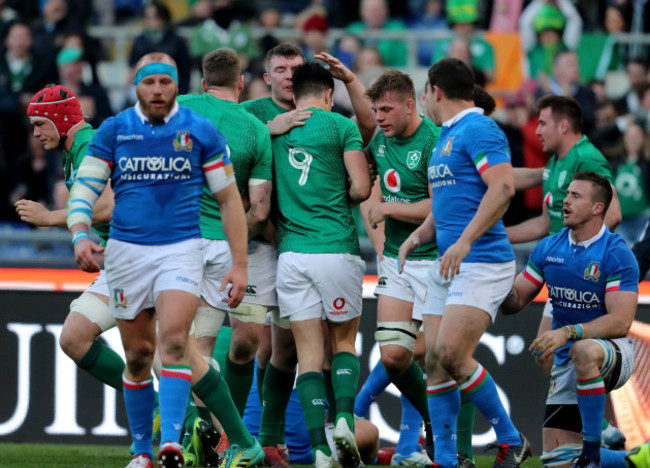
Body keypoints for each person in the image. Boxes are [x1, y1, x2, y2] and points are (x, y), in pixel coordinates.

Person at [65, 52, 261, 468]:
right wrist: (80, 233)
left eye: (165, 81)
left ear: (178, 86)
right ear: (136, 84)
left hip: (180, 253)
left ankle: (171, 443)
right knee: (138, 356)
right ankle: (142, 452)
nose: (157, 89)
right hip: (126, 257)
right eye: (149, 81)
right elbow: (86, 189)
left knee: (173, 343)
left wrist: (240, 263)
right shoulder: (115, 130)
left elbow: (229, 200)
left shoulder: (200, 131)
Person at [242, 44, 375, 467]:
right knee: (344, 343)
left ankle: (317, 449)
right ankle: (342, 423)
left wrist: (270, 132)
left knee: (306, 357)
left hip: (290, 255)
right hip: (336, 248)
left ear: (294, 91)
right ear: (328, 95)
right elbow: (361, 189)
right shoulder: (340, 126)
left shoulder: (268, 129)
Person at [399, 57, 531, 468]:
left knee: (453, 353)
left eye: (423, 94)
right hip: (449, 262)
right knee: (434, 362)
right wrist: (422, 234)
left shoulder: (479, 128)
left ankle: (511, 438)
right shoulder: (446, 137)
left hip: (482, 261)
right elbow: (449, 201)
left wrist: (465, 241)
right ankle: (446, 459)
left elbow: (503, 186)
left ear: (434, 91)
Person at [500, 171, 638, 468]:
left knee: (584, 349)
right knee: (557, 460)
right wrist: (494, 282)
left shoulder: (616, 253)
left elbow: (620, 322)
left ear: (597, 208)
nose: (565, 201)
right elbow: (515, 302)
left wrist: (567, 333)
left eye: (576, 196)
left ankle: (591, 452)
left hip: (613, 352)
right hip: (567, 361)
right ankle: (633, 461)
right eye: (566, 194)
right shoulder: (549, 248)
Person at [176, 47, 273, 457]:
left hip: (176, 243)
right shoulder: (255, 129)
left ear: (201, 82)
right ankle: (225, 440)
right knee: (220, 344)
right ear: (241, 82)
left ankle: (202, 437)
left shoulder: (180, 107)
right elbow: (260, 206)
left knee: (188, 349)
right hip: (228, 250)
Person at [15, 85, 122, 396]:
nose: (35, 134)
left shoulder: (90, 146)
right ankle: (156, 409)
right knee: (74, 338)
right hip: (118, 261)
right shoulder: (73, 150)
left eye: (39, 124)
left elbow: (107, 207)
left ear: (60, 119)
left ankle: (197, 425)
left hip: (141, 259)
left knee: (159, 354)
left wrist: (49, 217)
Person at [507, 95, 622, 377]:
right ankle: (587, 419)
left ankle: (589, 419)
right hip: (561, 274)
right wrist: (497, 236)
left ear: (563, 126)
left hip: (584, 277)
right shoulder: (555, 164)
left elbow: (613, 213)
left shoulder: (586, 158)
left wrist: (584, 259)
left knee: (577, 356)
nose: (536, 130)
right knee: (545, 352)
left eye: (543, 123)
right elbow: (546, 224)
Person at [359, 69, 439, 466]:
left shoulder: (435, 142)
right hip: (396, 261)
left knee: (437, 358)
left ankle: (440, 440)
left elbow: (439, 207)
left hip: (438, 262)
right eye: (375, 110)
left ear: (411, 105)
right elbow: (367, 190)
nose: (380, 118)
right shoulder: (380, 140)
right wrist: (380, 243)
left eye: (387, 109)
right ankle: (429, 423)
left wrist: (389, 208)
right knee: (394, 355)